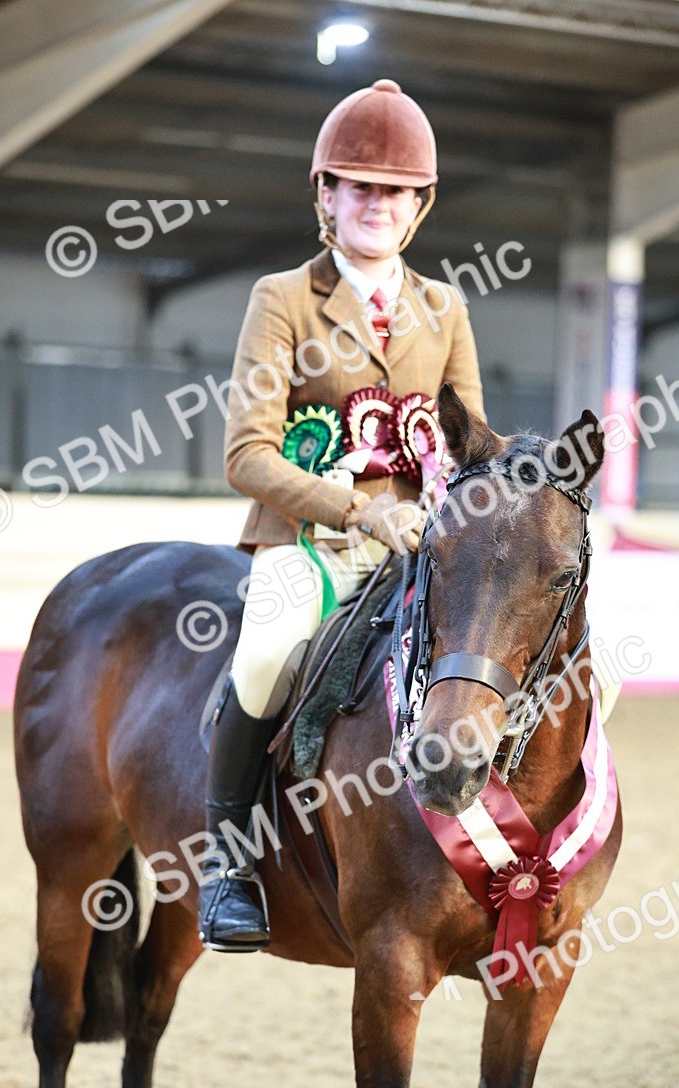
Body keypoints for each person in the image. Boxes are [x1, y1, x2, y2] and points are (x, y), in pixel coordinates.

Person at [198, 79, 486, 951]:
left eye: (393, 192)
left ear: (417, 209)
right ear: (326, 195)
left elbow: (469, 439)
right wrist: (360, 512)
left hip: (420, 547)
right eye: (358, 187)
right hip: (311, 544)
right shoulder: (281, 299)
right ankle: (227, 868)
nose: (375, 204)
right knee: (267, 654)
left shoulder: (444, 307)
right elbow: (245, 453)